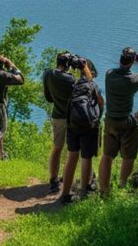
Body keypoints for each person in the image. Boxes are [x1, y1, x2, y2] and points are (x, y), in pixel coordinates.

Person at [98, 47, 138, 197]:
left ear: (120, 59)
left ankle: (104, 191)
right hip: (125, 122)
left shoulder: (109, 75)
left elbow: (120, 70)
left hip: (109, 120)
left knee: (107, 155)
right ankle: (122, 187)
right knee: (128, 157)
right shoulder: (134, 79)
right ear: (131, 62)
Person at [60, 58, 104, 204]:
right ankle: (84, 193)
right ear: (90, 71)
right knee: (86, 158)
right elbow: (101, 102)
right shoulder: (92, 85)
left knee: (72, 156)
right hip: (88, 126)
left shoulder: (74, 84)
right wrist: (98, 117)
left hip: (72, 124)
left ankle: (65, 194)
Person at [42, 53, 76, 194]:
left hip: (57, 116)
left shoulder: (48, 74)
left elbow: (49, 98)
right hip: (72, 118)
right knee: (72, 150)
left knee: (57, 148)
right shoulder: (71, 80)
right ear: (68, 65)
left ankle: (53, 180)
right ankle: (68, 178)